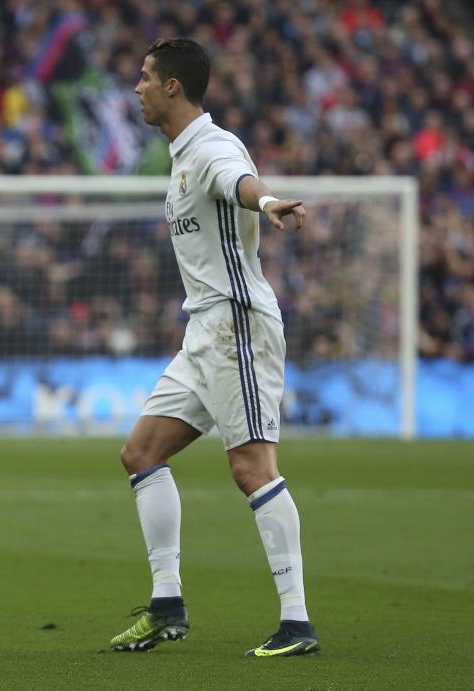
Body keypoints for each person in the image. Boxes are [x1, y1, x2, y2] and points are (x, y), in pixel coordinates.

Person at [108, 38, 319, 657]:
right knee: (140, 452)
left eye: (145, 77)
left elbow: (240, 182)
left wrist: (271, 200)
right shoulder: (179, 156)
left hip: (238, 327)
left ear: (173, 86)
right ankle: (167, 605)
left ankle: (297, 621)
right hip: (203, 332)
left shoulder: (212, 146)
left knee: (252, 468)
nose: (138, 88)